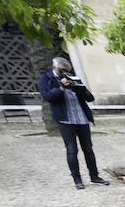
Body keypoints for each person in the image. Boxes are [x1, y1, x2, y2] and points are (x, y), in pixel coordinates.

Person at [39, 57, 108, 189]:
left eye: (68, 70)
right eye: (63, 69)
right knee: (72, 150)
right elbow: (47, 97)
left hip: (81, 118)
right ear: (56, 67)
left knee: (88, 149)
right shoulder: (46, 78)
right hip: (65, 119)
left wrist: (78, 88)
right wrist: (61, 88)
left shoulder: (73, 77)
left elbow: (89, 97)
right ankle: (77, 180)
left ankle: (95, 176)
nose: (66, 72)